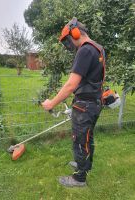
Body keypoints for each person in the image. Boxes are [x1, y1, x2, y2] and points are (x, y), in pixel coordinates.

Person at [42, 17, 105, 187]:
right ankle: (85, 165)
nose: (69, 45)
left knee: (79, 140)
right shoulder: (99, 48)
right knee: (87, 138)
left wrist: (51, 103)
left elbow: (71, 84)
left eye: (68, 41)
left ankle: (79, 178)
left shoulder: (84, 50)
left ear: (75, 33)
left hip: (85, 105)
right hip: (95, 103)